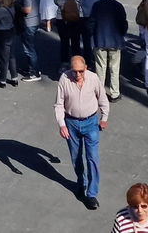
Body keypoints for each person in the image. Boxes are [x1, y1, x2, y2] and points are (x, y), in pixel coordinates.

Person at [54, 54, 108, 210]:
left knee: (92, 158)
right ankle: (81, 182)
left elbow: (102, 99)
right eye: (74, 71)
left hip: (91, 122)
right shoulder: (64, 79)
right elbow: (59, 104)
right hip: (71, 123)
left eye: (81, 71)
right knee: (76, 157)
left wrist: (104, 117)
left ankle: (92, 193)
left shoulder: (93, 78)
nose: (77, 74)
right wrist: (62, 124)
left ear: (86, 68)